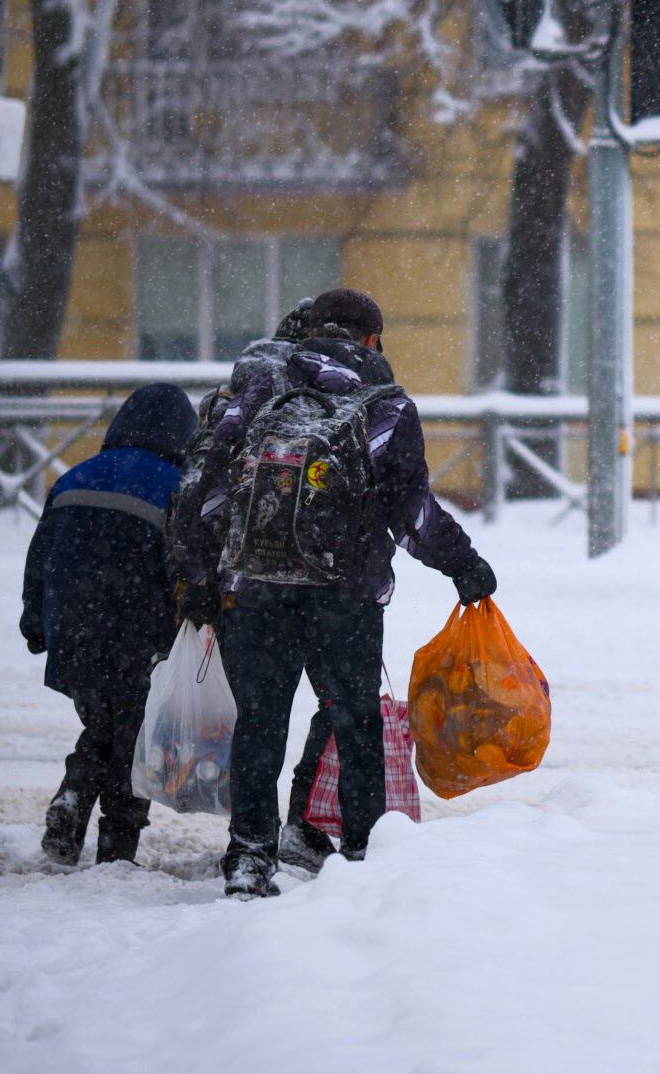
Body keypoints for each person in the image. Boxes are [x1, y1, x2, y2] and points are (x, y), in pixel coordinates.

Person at [169, 288, 496, 899]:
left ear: (312, 331)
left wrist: (201, 575)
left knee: (259, 723)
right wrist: (464, 564)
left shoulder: (259, 390)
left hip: (257, 588)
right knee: (354, 722)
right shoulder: (385, 406)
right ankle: (362, 852)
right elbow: (412, 513)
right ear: (372, 340)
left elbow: (204, 486)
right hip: (345, 594)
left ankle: (249, 857)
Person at [21, 382, 200, 867]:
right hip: (139, 638)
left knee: (101, 726)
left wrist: (35, 621)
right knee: (135, 746)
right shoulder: (177, 489)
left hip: (74, 632)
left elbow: (39, 560)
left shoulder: (74, 477)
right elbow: (184, 573)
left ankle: (74, 795)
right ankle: (116, 855)